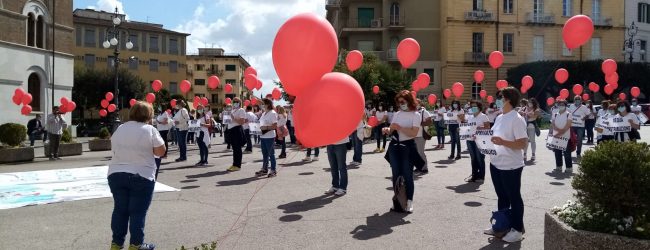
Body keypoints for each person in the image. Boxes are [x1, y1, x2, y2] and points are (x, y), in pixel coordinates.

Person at [108, 101, 165, 250]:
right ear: (149, 115)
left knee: (120, 210)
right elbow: (160, 152)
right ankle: (136, 244)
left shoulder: (120, 128)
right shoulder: (150, 129)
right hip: (141, 175)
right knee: (137, 212)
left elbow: (113, 147)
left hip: (116, 173)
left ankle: (116, 243)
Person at [483, 87, 528, 243]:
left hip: (511, 166)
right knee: (502, 196)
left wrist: (503, 142)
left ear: (508, 99)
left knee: (514, 197)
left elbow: (522, 143)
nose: (497, 99)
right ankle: (502, 225)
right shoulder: (500, 116)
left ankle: (517, 229)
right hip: (496, 163)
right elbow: (495, 137)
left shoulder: (517, 118)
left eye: (500, 96)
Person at [383, 90, 421, 213]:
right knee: (395, 174)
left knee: (407, 175)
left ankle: (409, 201)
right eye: (399, 102)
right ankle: (398, 201)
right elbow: (392, 129)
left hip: (408, 147)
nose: (400, 104)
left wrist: (399, 128)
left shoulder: (416, 115)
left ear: (409, 101)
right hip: (395, 146)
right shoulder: (397, 114)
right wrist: (387, 129)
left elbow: (414, 133)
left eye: (402, 102)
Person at [464, 101, 490, 182]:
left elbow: (488, 127)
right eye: (472, 106)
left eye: (475, 106)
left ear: (479, 107)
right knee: (473, 159)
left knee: (480, 158)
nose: (473, 108)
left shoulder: (483, 116)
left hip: (480, 141)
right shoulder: (470, 117)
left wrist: (480, 128)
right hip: (470, 140)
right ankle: (474, 175)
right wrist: (462, 130)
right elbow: (467, 127)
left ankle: (481, 177)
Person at [256, 99, 279, 177]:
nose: (261, 105)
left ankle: (273, 170)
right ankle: (264, 169)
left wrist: (265, 128)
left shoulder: (272, 113)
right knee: (264, 154)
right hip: (263, 136)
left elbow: (275, 126)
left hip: (269, 136)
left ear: (268, 104)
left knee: (271, 154)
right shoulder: (264, 113)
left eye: (263, 104)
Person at [550, 100, 573, 173]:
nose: (561, 106)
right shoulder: (555, 114)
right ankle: (559, 167)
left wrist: (560, 132)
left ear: (566, 105)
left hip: (566, 137)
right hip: (556, 136)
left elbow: (568, 125)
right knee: (557, 152)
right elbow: (553, 124)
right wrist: (557, 131)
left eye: (563, 104)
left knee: (567, 153)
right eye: (560, 104)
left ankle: (569, 168)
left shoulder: (568, 114)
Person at [227, 98, 247, 172]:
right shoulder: (232, 110)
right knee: (234, 148)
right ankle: (234, 164)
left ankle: (238, 165)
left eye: (237, 101)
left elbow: (242, 121)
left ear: (239, 102)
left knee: (237, 148)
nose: (235, 102)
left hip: (237, 129)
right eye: (234, 101)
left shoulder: (241, 110)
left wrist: (233, 118)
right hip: (231, 130)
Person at [568, 96, 589, 160]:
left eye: (578, 99)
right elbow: (569, 114)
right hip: (572, 125)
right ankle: (569, 152)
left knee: (579, 140)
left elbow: (588, 115)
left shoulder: (584, 107)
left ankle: (578, 153)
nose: (577, 100)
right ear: (574, 100)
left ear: (581, 100)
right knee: (570, 140)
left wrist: (584, 118)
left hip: (580, 126)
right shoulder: (571, 106)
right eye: (576, 99)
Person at [414, 100, 432, 174]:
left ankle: (425, 168)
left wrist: (420, 123)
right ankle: (418, 167)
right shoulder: (413, 111)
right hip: (413, 135)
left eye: (417, 103)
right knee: (415, 152)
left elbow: (430, 121)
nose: (415, 104)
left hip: (421, 135)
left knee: (420, 152)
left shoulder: (424, 111)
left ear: (420, 104)